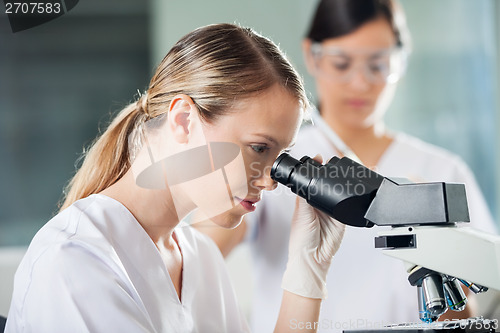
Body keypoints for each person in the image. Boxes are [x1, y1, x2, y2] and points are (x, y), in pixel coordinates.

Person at [5, 23, 346, 332]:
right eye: (259, 148)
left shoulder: (201, 259)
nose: (271, 181)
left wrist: (307, 270)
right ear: (183, 120)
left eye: (280, 157)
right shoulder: (75, 261)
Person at [195, 1, 498, 332]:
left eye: (378, 65)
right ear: (312, 55)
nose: (359, 83)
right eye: (341, 64)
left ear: (401, 60)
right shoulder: (269, 159)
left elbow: (466, 316)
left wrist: (437, 251)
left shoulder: (442, 170)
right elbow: (191, 263)